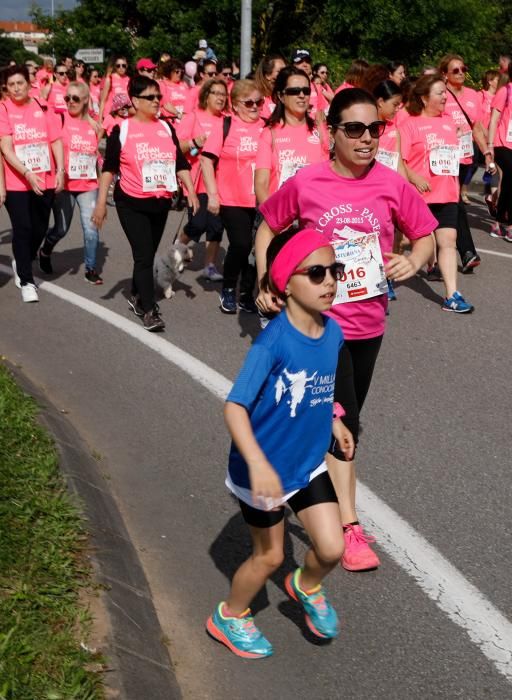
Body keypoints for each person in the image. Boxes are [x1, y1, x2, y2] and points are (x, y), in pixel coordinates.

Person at [255, 88, 436, 571]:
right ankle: (349, 528)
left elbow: (426, 235)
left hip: (369, 323)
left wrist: (413, 261)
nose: (366, 138)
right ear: (329, 133)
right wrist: (267, 278)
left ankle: (287, 475)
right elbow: (268, 226)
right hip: (319, 327)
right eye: (353, 129)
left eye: (374, 129)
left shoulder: (391, 183)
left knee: (332, 419)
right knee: (344, 422)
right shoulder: (308, 182)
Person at [206, 227, 354, 658]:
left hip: (306, 462)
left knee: (331, 548)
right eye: (316, 273)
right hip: (263, 471)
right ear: (286, 282)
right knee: (268, 558)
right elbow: (234, 407)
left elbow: (318, 387)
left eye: (335, 271)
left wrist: (335, 419)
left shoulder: (333, 332)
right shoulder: (272, 344)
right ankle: (229, 616)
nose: (329, 281)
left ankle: (304, 585)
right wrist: (258, 464)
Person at [91, 75, 199, 331]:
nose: (156, 101)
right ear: (136, 101)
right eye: (150, 97)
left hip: (159, 202)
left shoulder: (166, 128)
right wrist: (101, 203)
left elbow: (180, 163)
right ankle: (149, 310)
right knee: (143, 256)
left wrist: (191, 190)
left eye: (158, 97)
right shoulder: (122, 129)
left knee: (148, 253)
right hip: (131, 202)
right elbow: (109, 167)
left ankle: (138, 294)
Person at [400, 74, 478, 312]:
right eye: (440, 93)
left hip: (446, 194)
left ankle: (452, 295)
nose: (446, 97)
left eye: (445, 92)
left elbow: (459, 158)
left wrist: (463, 144)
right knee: (413, 242)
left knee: (448, 242)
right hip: (418, 196)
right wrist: (414, 177)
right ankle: (384, 276)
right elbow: (400, 161)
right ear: (424, 98)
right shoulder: (409, 124)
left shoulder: (447, 123)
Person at [0, 65, 64, 302]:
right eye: (12, 84)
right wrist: (26, 173)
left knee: (39, 228)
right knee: (23, 228)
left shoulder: (42, 106)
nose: (17, 88)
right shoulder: (3, 108)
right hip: (18, 180)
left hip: (44, 178)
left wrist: (61, 171)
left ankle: (22, 258)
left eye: (20, 83)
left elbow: (56, 140)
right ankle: (27, 281)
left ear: (29, 84)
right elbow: (5, 148)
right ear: (6, 88)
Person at [200, 79, 265, 314]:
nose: (255, 106)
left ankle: (247, 293)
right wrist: (213, 194)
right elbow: (207, 160)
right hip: (232, 198)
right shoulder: (226, 125)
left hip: (261, 198)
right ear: (236, 105)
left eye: (259, 101)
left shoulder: (267, 127)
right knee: (241, 244)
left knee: (258, 249)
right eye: (249, 103)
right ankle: (229, 288)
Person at [38, 81, 102, 283]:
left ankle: (91, 269)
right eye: (67, 98)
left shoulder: (93, 126)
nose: (70, 102)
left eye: (75, 98)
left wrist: (101, 186)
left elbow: (95, 156)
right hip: (64, 185)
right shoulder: (60, 118)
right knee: (61, 229)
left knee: (91, 229)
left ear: (85, 101)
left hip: (88, 185)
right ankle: (46, 250)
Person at [439, 54, 488, 272]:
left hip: (466, 157)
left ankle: (438, 252)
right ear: (445, 75)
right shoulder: (441, 94)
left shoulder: (473, 95)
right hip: (446, 158)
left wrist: (487, 151)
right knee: (455, 201)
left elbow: (476, 126)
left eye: (463, 69)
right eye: (455, 70)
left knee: (450, 203)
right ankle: (467, 251)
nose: (461, 73)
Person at [175, 77, 228, 280]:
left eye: (224, 94)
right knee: (198, 224)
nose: (221, 98)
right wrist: (194, 141)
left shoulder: (226, 120)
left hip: (220, 181)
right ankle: (178, 248)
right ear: (206, 95)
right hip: (196, 180)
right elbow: (177, 148)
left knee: (215, 226)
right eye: (216, 93)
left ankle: (210, 266)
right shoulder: (193, 117)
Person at [255, 65, 329, 205]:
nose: (301, 95)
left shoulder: (319, 129)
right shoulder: (269, 133)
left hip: (313, 214)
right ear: (281, 96)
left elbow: (328, 177)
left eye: (306, 91)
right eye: (294, 91)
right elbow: (261, 184)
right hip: (279, 216)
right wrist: (274, 218)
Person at [487, 61, 512, 241]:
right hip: (501, 143)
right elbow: (494, 119)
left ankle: (502, 222)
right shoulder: (505, 91)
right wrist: (489, 145)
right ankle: (502, 220)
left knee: (509, 182)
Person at [254, 54, 286, 119]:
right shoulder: (257, 96)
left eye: (285, 70)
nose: (286, 73)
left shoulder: (283, 95)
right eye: (280, 71)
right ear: (268, 75)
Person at [98, 56, 130, 122]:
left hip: (124, 115)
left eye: (123, 65)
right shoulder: (110, 78)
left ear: (127, 66)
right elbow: (103, 100)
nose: (121, 68)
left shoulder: (129, 79)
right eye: (118, 66)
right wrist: (100, 119)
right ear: (115, 67)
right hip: (110, 115)